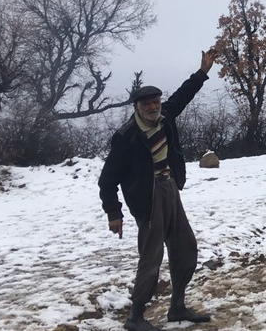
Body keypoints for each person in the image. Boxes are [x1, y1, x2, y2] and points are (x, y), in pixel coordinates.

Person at [98, 47, 218, 331]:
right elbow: (107, 180)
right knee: (151, 258)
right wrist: (114, 213)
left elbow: (183, 95)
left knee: (185, 248)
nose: (153, 107)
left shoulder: (166, 116)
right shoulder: (126, 137)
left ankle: (177, 306)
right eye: (147, 104)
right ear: (137, 107)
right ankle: (135, 317)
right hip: (147, 199)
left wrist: (202, 73)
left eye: (156, 102)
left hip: (169, 189)